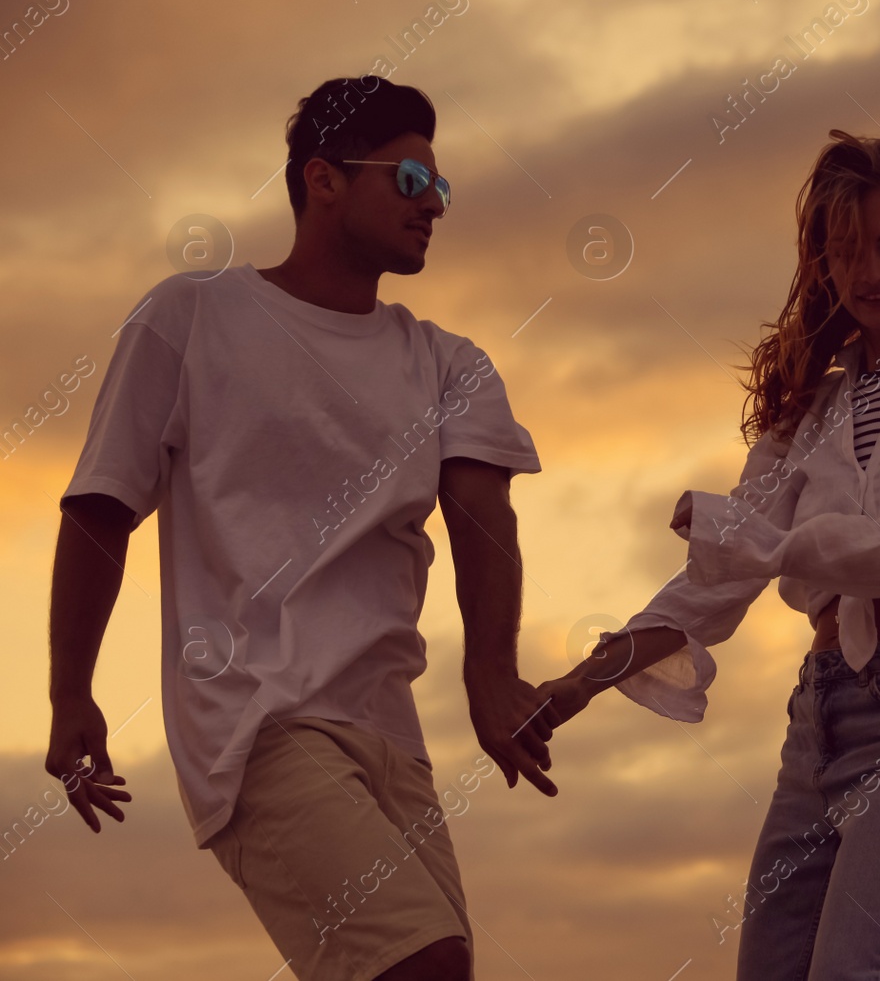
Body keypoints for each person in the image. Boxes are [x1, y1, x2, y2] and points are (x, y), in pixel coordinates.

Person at [45, 76, 559, 981]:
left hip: (389, 728)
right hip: (255, 720)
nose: (432, 206)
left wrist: (491, 675)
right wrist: (69, 692)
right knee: (420, 960)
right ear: (322, 180)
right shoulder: (191, 318)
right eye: (409, 182)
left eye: (441, 189)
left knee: (441, 965)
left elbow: (485, 517)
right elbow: (100, 508)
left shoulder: (449, 364)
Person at [534, 129, 880, 978]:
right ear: (825, 269)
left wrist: (757, 539)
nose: (873, 272)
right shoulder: (808, 410)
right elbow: (712, 585)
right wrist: (583, 678)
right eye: (847, 255)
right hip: (816, 725)